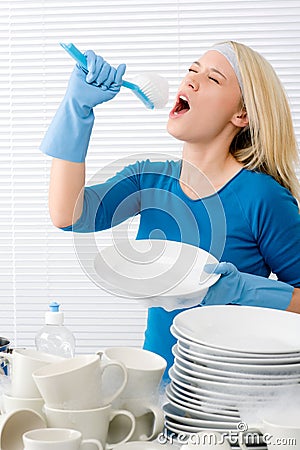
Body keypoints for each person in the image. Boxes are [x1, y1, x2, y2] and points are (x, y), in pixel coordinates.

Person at [40, 41, 300, 377]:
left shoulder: (262, 197)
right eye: (192, 71)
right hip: (155, 385)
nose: (190, 81)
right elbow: (67, 215)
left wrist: (244, 290)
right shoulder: (149, 179)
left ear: (243, 114)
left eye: (213, 79)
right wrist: (77, 111)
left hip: (231, 397)